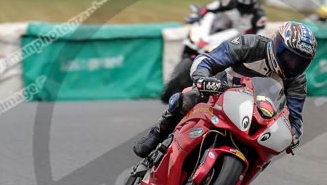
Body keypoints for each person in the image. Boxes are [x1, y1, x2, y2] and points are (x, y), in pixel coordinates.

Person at [134, 20, 317, 158]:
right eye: (290, 56)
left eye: (300, 62)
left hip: (258, 115)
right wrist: (202, 78)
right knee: (187, 97)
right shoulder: (251, 44)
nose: (292, 64)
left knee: (267, 151)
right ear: (277, 43)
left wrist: (293, 135)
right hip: (221, 92)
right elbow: (209, 59)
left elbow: (295, 116)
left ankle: (236, 180)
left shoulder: (297, 80)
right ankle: (158, 132)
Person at [190, 0, 266, 35]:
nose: (242, 7)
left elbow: (260, 34)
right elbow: (209, 8)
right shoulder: (228, 1)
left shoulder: (259, 15)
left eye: (246, 6)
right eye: (240, 5)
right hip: (216, 36)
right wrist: (198, 15)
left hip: (239, 48)